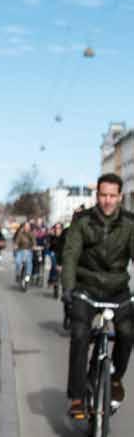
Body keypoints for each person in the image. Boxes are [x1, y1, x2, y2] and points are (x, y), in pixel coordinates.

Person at [60, 173, 134, 419]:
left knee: (127, 333)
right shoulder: (83, 221)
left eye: (112, 195)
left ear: (120, 196)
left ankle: (115, 377)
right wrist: (68, 288)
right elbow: (70, 254)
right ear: (97, 195)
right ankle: (77, 397)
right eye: (103, 195)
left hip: (117, 288)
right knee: (80, 335)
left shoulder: (129, 223)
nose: (107, 200)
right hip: (87, 287)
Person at [13, 220, 35, 285]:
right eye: (25, 226)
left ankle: (28, 276)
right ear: (23, 227)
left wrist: (34, 246)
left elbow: (34, 242)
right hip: (20, 250)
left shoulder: (31, 234)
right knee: (18, 262)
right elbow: (17, 241)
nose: (27, 227)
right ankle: (18, 274)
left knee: (29, 263)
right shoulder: (20, 234)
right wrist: (16, 246)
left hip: (29, 251)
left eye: (28, 226)